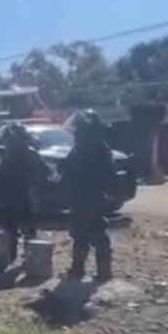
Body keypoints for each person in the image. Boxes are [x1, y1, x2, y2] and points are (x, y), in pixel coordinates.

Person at [63, 111, 115, 281]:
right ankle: (101, 271)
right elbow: (110, 174)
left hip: (84, 196)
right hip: (94, 196)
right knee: (92, 233)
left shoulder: (84, 149)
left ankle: (81, 269)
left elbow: (70, 172)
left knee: (84, 234)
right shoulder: (102, 148)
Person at [0, 123, 46, 262]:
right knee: (14, 229)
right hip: (14, 196)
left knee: (25, 229)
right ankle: (18, 256)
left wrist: (33, 189)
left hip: (24, 196)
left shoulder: (27, 153)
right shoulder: (12, 154)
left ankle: (28, 257)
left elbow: (43, 173)